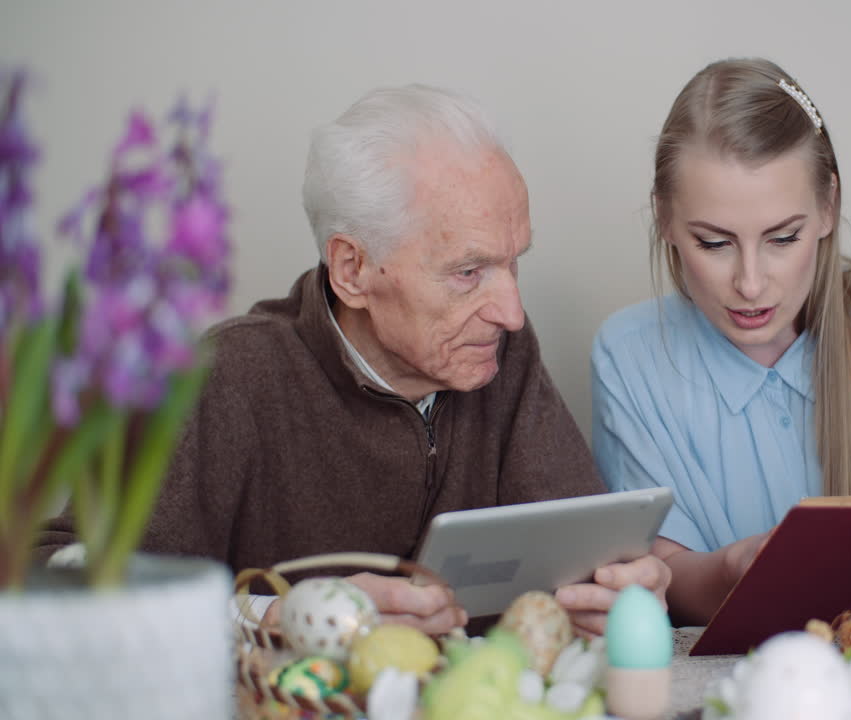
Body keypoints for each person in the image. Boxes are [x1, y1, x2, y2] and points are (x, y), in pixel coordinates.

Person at [38, 84, 668, 637]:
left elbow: (582, 568)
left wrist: (619, 593)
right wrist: (284, 616)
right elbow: (55, 575)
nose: (510, 310)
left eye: (514, 261)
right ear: (353, 269)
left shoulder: (497, 348)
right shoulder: (226, 377)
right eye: (469, 272)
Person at [591, 58, 851, 626]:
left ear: (828, 208)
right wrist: (733, 569)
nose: (751, 282)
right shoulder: (629, 356)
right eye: (714, 243)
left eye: (782, 238)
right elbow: (664, 579)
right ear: (665, 218)